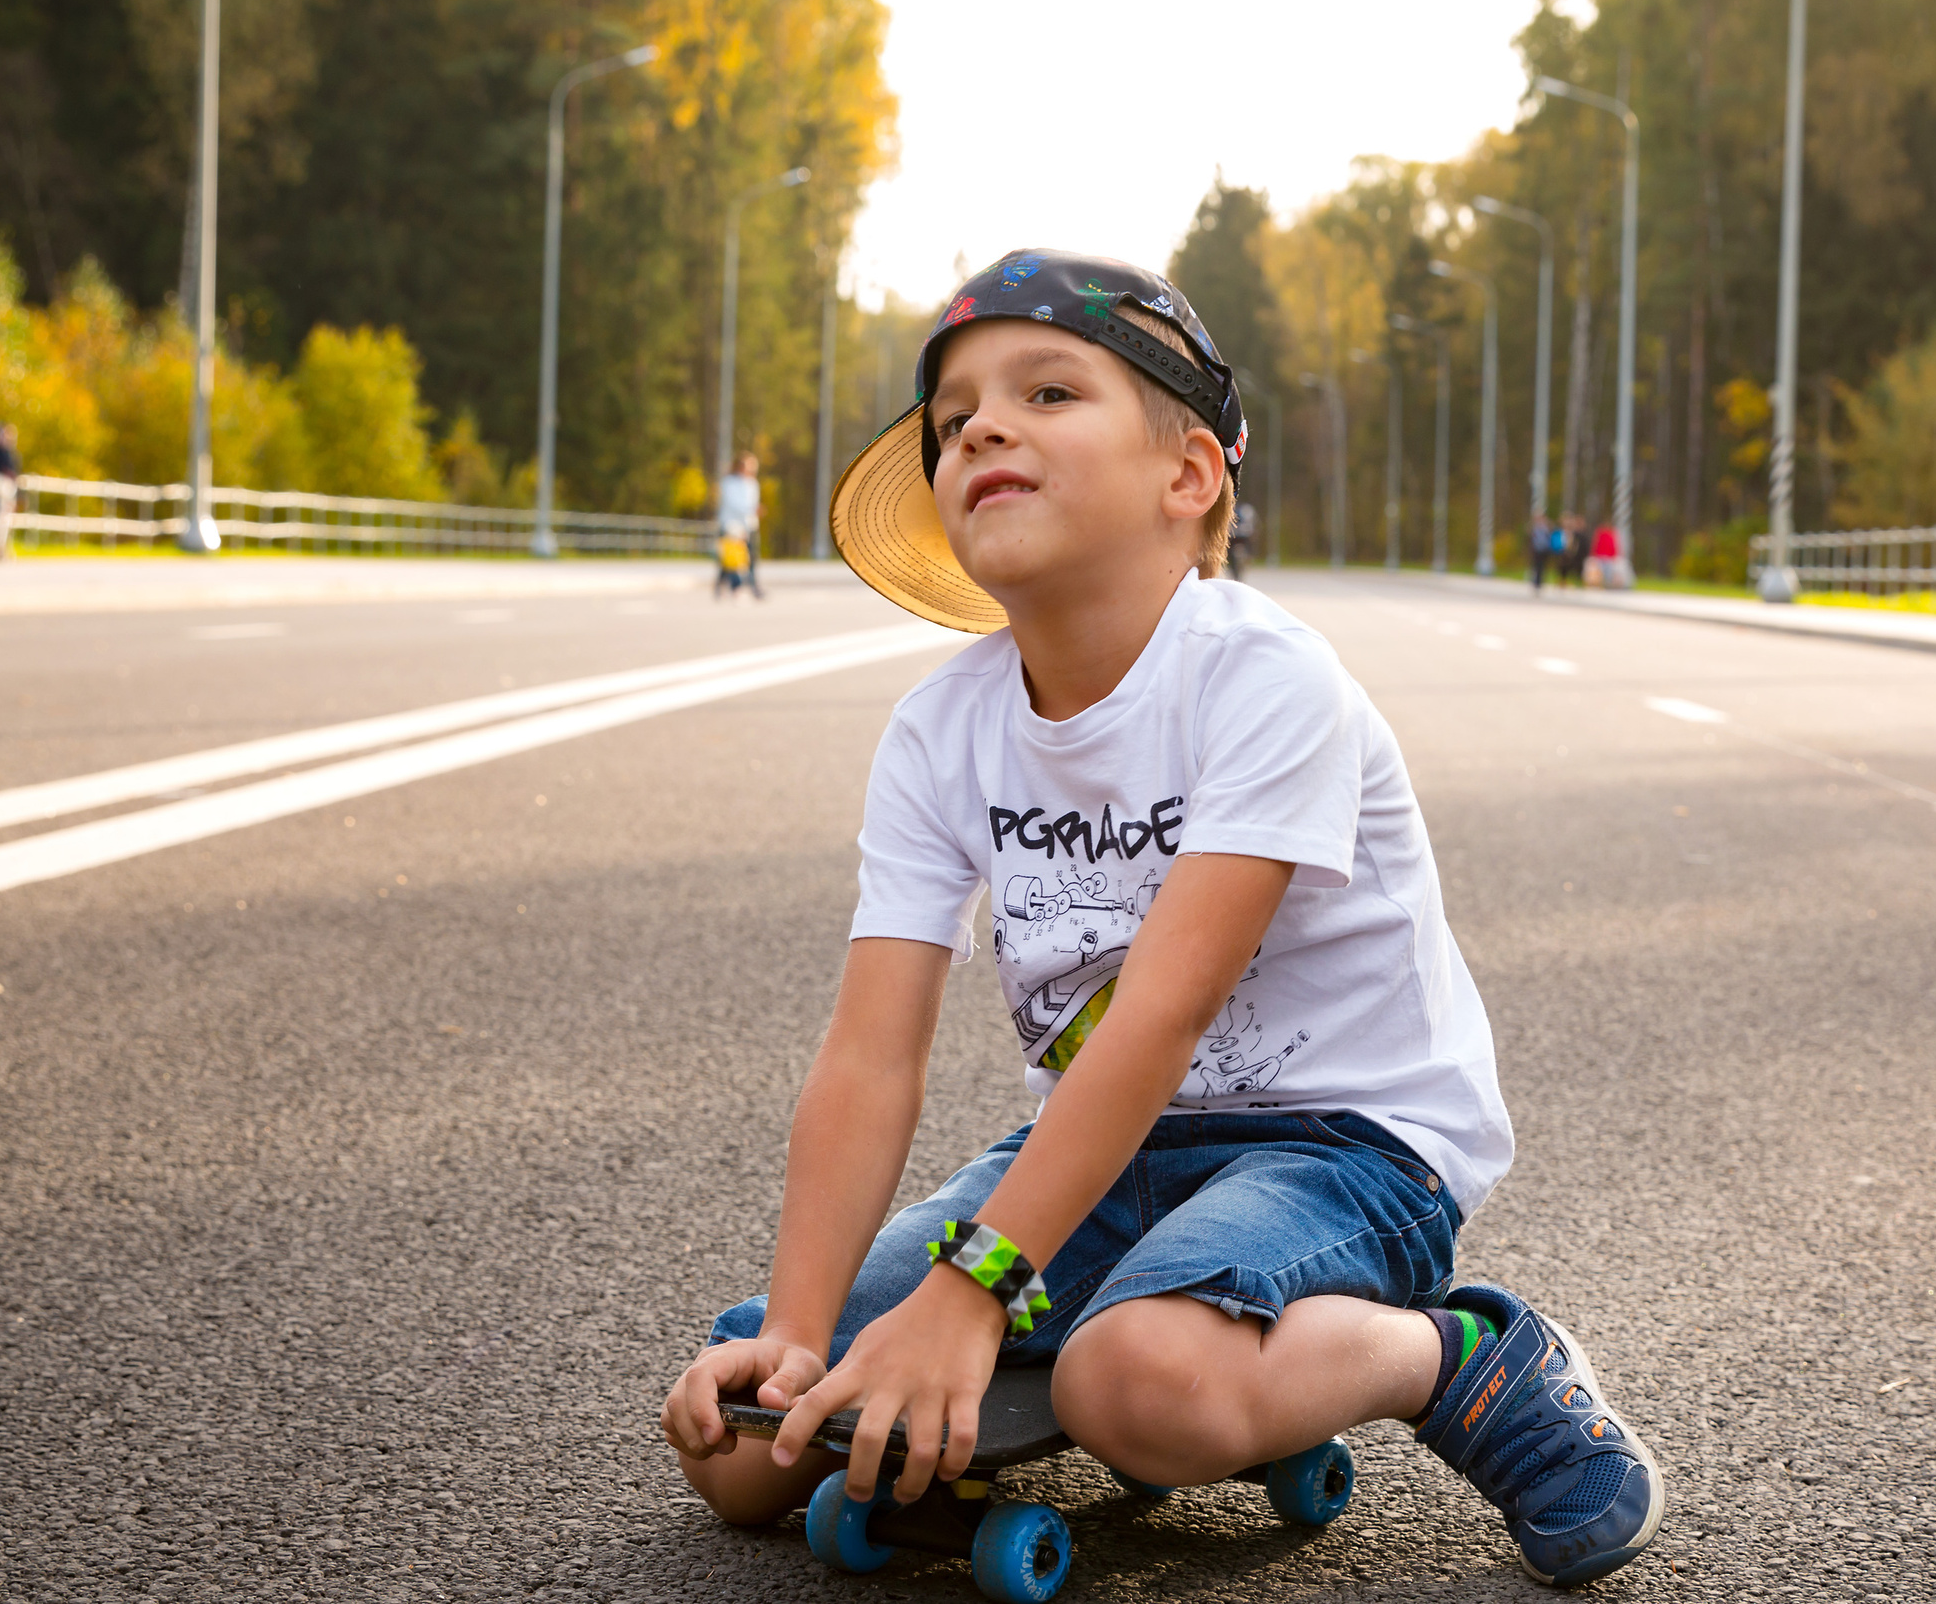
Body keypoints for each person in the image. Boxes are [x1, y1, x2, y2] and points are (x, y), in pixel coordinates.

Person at [658, 251, 1663, 1588]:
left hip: (1343, 1142)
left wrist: (968, 1292)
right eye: (954, 418)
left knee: (1133, 1380)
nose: (984, 429)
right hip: (1099, 1147)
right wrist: (792, 1330)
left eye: (1048, 389)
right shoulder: (938, 729)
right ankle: (1018, 1328)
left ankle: (1456, 1353)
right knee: (746, 1450)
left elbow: (1166, 1004)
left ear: (1188, 476)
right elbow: (870, 1054)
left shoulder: (1261, 677)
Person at [715, 453, 765, 599]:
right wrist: (751, 509)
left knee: (751, 558)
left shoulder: (752, 483)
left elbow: (753, 503)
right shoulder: (729, 482)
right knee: (730, 559)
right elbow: (733, 504)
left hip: (749, 525)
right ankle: (727, 586)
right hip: (731, 525)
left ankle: (754, 587)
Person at [0, 422, 21, 561]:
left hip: (7, 492)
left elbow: (15, 477)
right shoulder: (2, 453)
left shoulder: (13, 455)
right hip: (3, 489)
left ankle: (2, 548)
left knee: (5, 520)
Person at [1227, 498, 1258, 580]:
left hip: (1240, 535)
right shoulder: (1245, 509)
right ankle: (1248, 556)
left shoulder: (1244, 509)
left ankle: (1249, 556)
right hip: (1236, 535)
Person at [1586, 519, 1622, 589]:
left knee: (1608, 572)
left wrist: (1613, 555)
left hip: (1607, 557)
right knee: (1599, 572)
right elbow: (1596, 545)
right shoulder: (1601, 534)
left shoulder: (1609, 534)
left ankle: (1607, 584)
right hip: (1601, 556)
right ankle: (1598, 584)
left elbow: (1613, 546)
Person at [1527, 511, 1551, 592]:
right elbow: (1530, 539)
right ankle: (1535, 582)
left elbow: (1549, 538)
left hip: (1544, 550)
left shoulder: (1546, 528)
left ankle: (1540, 582)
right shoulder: (1534, 528)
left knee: (1542, 567)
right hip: (1536, 550)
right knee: (1536, 567)